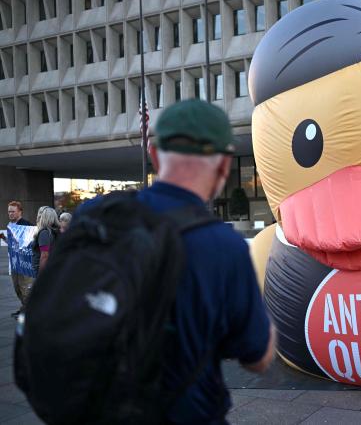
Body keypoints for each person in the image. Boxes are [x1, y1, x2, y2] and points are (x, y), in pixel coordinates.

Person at [77, 99, 275, 424]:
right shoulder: (225, 247)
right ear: (225, 165)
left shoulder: (93, 215)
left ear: (154, 155)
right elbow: (257, 358)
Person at [1, 201, 34, 317]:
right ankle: (25, 308)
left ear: (20, 212)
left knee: (25, 289)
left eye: (13, 211)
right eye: (9, 211)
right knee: (17, 288)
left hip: (25, 263)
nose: (10, 214)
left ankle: (29, 311)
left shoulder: (26, 225)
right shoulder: (10, 225)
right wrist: (5, 238)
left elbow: (30, 244)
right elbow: (13, 244)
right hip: (15, 263)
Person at [32, 207, 60, 278]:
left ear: (44, 218)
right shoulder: (56, 231)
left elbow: (44, 255)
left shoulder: (44, 233)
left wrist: (41, 277)